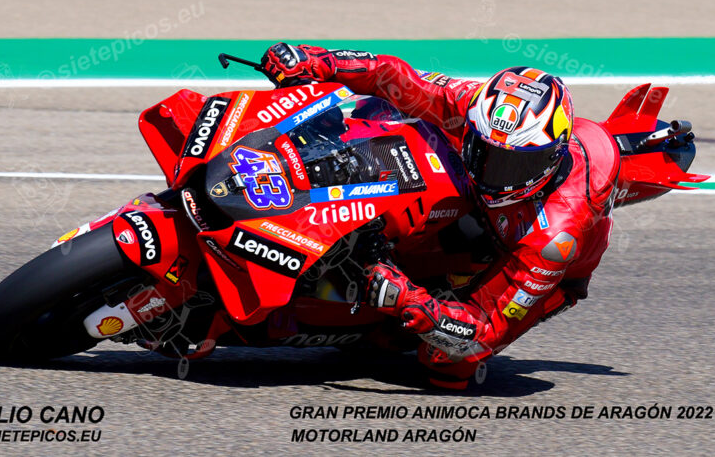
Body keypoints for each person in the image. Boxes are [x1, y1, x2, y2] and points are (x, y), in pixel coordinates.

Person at [261, 43, 619, 389]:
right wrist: (317, 61)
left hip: (522, 262)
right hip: (472, 205)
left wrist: (412, 302)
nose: (495, 172)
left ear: (552, 157)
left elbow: (484, 332)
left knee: (446, 363)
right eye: (485, 150)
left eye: (515, 163)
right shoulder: (477, 105)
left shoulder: (555, 237)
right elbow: (395, 78)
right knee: (380, 111)